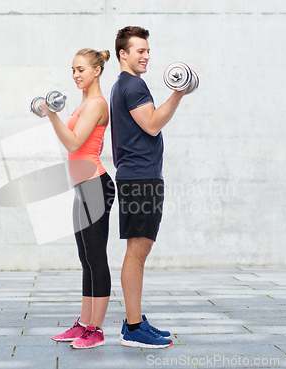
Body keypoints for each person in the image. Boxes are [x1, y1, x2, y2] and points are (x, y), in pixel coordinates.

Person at [110, 26, 186, 348]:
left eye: (148, 50)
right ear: (123, 54)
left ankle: (136, 322)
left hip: (141, 175)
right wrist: (179, 93)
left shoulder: (123, 85)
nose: (146, 56)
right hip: (139, 178)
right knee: (137, 251)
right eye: (140, 51)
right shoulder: (132, 85)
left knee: (139, 250)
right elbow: (152, 124)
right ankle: (133, 327)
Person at [40, 48, 115, 349]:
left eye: (81, 69)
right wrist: (54, 114)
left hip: (96, 185)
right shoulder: (83, 104)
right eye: (73, 70)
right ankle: (84, 323)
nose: (75, 75)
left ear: (97, 71)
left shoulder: (96, 104)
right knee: (85, 259)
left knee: (97, 259)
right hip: (83, 188)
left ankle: (96, 330)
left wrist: (52, 115)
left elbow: (73, 143)